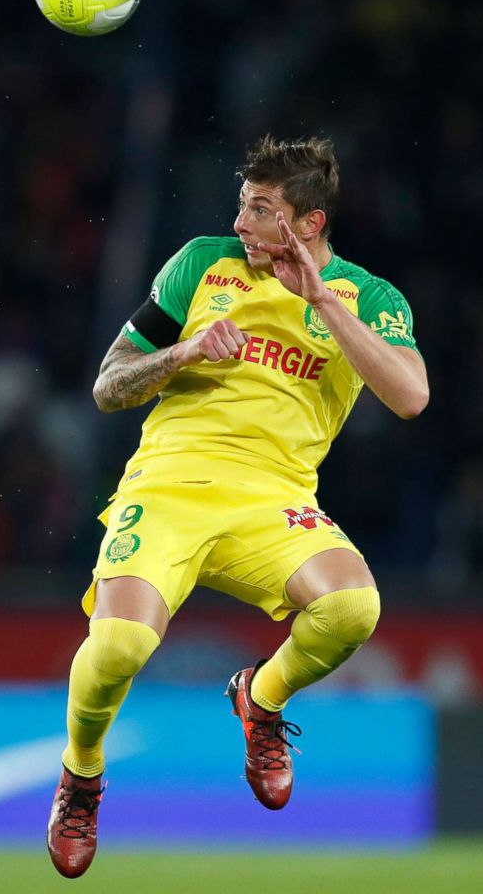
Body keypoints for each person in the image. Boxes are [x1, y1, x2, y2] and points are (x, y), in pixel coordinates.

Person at [47, 135, 429, 878]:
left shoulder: (370, 298)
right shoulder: (201, 262)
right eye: (243, 204)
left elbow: (410, 396)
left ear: (309, 225)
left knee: (353, 610)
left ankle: (260, 698)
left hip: (273, 502)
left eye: (261, 210)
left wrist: (319, 301)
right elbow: (108, 385)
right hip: (168, 488)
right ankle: (81, 776)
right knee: (120, 647)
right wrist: (182, 355)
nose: (243, 223)